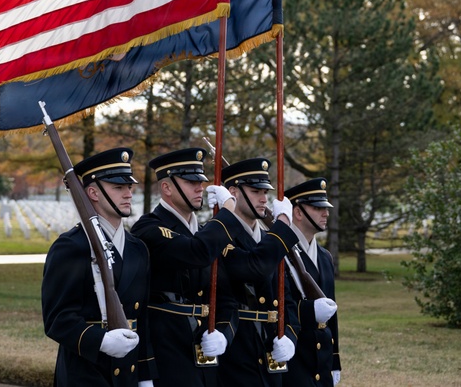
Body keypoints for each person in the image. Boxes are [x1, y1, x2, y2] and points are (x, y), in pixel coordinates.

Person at [41, 148, 157, 387]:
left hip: (129, 371)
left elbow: (142, 320)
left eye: (129, 187)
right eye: (118, 187)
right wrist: (101, 341)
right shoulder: (71, 246)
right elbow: (57, 319)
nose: (128, 193)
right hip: (86, 372)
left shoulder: (138, 249)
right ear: (93, 192)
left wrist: (146, 377)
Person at [131, 147, 246, 387]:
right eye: (190, 181)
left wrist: (224, 335)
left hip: (204, 358)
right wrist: (227, 212)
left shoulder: (205, 233)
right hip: (168, 354)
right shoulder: (150, 228)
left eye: (201, 181)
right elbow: (196, 253)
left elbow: (225, 297)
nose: (199, 187)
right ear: (167, 188)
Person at [214, 157, 299, 387]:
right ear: (233, 192)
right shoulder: (220, 237)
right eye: (255, 191)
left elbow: (286, 300)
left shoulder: (268, 240)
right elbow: (252, 268)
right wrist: (282, 223)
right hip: (236, 354)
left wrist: (289, 336)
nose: (264, 199)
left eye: (265, 192)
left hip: (270, 352)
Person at [282, 178, 342, 387]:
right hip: (295, 357)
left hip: (322, 359)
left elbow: (332, 314)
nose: (325, 213)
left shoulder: (325, 257)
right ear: (298, 212)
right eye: (317, 208)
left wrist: (335, 361)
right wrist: (308, 311)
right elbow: (280, 306)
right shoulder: (280, 253)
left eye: (325, 208)